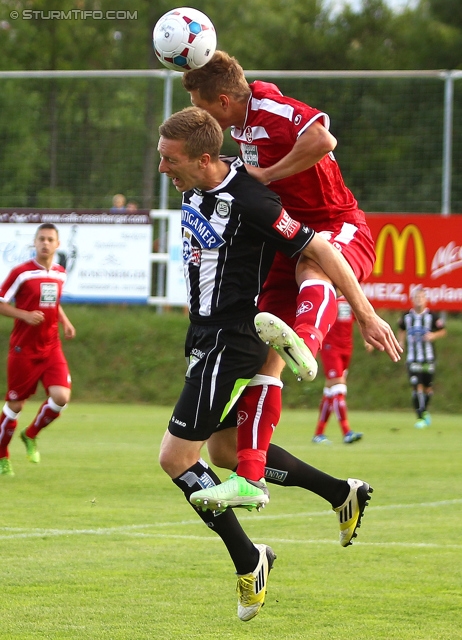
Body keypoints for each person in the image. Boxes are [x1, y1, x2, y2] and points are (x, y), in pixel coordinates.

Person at [157, 107, 399, 621]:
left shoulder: (250, 199)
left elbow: (318, 249)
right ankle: (341, 492)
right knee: (224, 451)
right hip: (203, 333)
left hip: (230, 338)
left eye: (169, 160)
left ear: (202, 160)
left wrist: (365, 312)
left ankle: (249, 560)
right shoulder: (202, 176)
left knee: (176, 459)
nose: (162, 169)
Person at [182, 51, 401, 504]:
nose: (201, 116)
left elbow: (323, 139)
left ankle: (307, 342)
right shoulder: (239, 123)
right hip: (290, 243)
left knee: (311, 265)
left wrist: (266, 175)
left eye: (203, 107)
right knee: (266, 365)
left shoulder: (270, 108)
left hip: (337, 225)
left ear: (223, 101)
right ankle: (250, 478)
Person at [0, 223, 76, 477]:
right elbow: (1, 302)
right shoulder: (21, 273)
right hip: (23, 349)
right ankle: (2, 454)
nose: (45, 243)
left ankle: (30, 434)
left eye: (50, 239)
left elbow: (53, 302)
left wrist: (64, 321)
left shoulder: (60, 273)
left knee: (61, 397)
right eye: (41, 239)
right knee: (15, 405)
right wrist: (24, 315)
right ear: (34, 243)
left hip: (51, 347)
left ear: (57, 244)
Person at [312, 296, 363, 445]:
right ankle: (347, 432)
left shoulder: (351, 297)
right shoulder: (327, 297)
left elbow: (361, 318)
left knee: (330, 392)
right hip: (330, 348)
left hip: (347, 348)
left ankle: (318, 433)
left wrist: (367, 339)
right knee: (339, 388)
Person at [397, 288, 446, 428]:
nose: (419, 300)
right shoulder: (407, 316)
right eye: (416, 297)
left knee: (427, 388)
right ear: (413, 300)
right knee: (416, 385)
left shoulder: (432, 316)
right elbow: (401, 329)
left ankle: (424, 412)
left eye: (421, 297)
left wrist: (433, 336)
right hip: (413, 358)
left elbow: (443, 330)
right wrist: (401, 342)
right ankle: (421, 415)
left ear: (425, 300)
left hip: (428, 357)